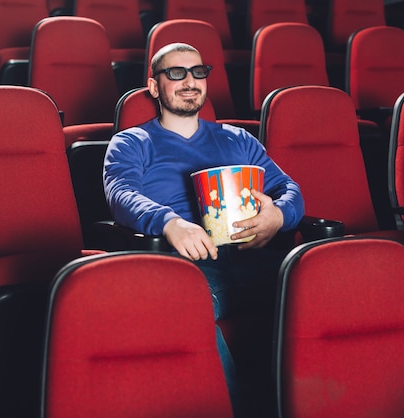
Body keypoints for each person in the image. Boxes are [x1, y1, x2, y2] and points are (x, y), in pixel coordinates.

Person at [103, 42, 305, 416]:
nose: (189, 81)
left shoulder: (237, 139)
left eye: (198, 72)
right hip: (189, 266)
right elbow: (121, 194)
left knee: (328, 278)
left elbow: (289, 189)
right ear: (153, 85)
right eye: (176, 73)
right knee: (183, 300)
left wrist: (279, 215)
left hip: (254, 257)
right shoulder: (132, 142)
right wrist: (170, 222)